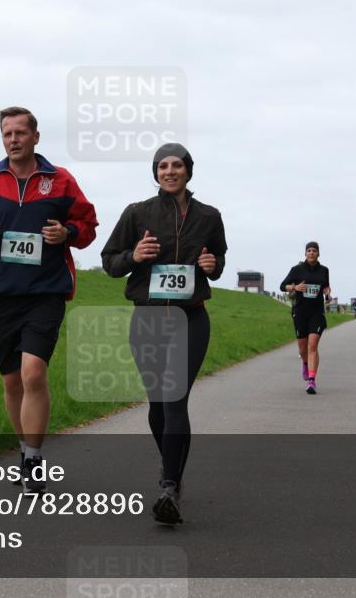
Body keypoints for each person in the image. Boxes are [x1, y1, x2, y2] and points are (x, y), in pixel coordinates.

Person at [0, 106, 98, 495]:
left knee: (34, 372)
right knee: (12, 381)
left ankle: (34, 461)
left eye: (21, 132)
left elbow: (88, 227)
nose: (14, 139)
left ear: (36, 136)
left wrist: (67, 232)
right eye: (7, 134)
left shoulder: (61, 180)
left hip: (46, 292)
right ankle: (24, 449)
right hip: (2, 294)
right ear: (2, 138)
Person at [101, 143, 227, 525]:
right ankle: (172, 468)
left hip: (190, 319)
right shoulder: (137, 213)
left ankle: (168, 486)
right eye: (162, 166)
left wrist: (212, 264)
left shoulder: (209, 216)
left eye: (176, 165)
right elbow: (109, 262)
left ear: (188, 170)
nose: (169, 171)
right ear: (155, 172)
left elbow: (218, 260)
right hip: (148, 320)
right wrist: (134, 257)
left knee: (174, 400)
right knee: (158, 405)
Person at [280, 243, 331, 394]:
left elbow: (326, 286)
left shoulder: (324, 270)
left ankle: (311, 380)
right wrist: (294, 288)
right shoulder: (297, 270)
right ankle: (305, 362)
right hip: (300, 311)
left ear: (318, 254)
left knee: (312, 346)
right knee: (303, 349)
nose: (311, 253)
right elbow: (282, 286)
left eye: (314, 251)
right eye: (309, 250)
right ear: (305, 253)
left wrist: (328, 293)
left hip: (317, 312)